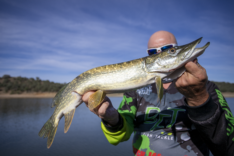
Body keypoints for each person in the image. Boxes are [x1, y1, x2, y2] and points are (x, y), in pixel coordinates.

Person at [82, 31, 234, 156]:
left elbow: (229, 147)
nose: (161, 53)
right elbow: (121, 136)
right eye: (153, 52)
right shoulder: (135, 91)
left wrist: (199, 98)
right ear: (149, 57)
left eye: (169, 49)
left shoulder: (205, 87)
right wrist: (112, 119)